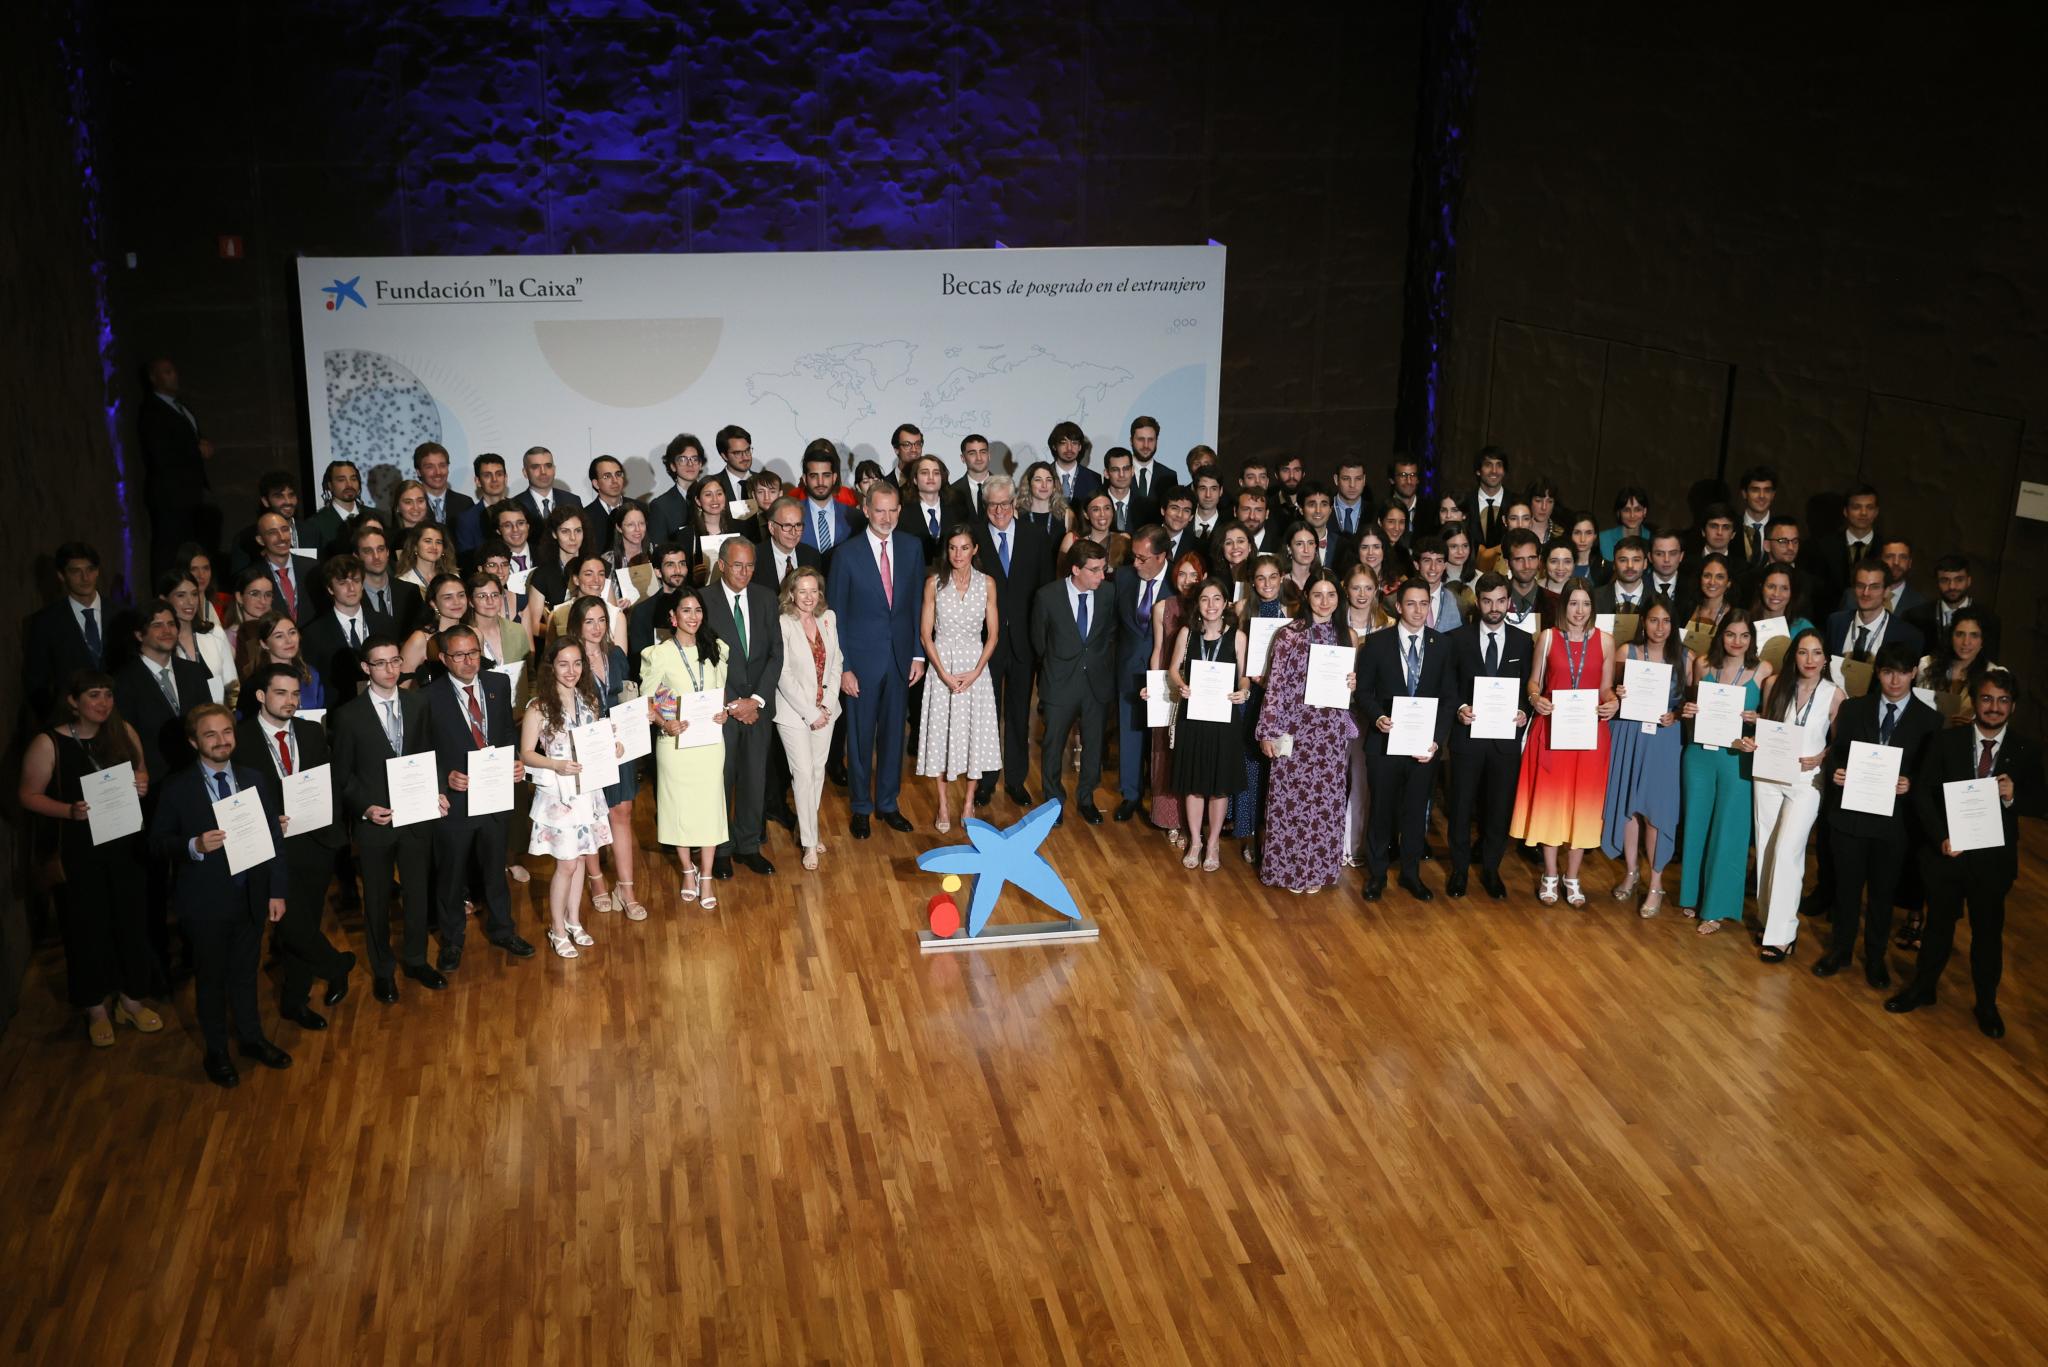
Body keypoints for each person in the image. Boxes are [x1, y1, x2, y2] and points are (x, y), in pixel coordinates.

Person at [1892, 669, 2042, 1037]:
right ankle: (1923, 988)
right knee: (1939, 927)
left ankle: (1987, 1005)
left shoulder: (2026, 749)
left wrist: (2012, 796)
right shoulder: (1947, 741)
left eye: (2003, 700)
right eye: (1988, 699)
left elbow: (2041, 800)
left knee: (1988, 935)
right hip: (1948, 854)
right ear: (1975, 702)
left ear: (2013, 707)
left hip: (1993, 862)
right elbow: (1923, 793)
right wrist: (1941, 836)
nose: (1994, 707)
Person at [148, 704, 290, 1087]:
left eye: (226, 731)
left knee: (246, 974)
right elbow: (157, 843)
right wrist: (193, 844)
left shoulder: (254, 779)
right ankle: (216, 1053)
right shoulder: (176, 789)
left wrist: (277, 890)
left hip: (251, 897)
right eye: (210, 734)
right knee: (210, 981)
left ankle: (251, 1038)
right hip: (205, 904)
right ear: (194, 741)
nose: (221, 740)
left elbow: (274, 838)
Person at [16, 672, 162, 1046]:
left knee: (131, 921)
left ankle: (130, 999)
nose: (103, 703)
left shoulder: (123, 730)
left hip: (127, 843)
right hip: (81, 850)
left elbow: (141, 769)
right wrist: (69, 811)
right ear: (73, 701)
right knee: (87, 926)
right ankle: (94, 1005)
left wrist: (141, 781)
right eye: (94, 695)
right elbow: (28, 795)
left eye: (108, 695)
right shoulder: (49, 742)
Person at [236, 664, 359, 1027]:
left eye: (295, 694)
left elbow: (327, 782)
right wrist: (266, 821)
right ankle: (338, 965)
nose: (290, 701)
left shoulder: (309, 731)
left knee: (305, 920)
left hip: (315, 842)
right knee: (289, 925)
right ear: (260, 696)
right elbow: (234, 799)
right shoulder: (240, 740)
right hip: (270, 849)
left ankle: (295, 999)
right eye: (280, 693)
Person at [1813, 643, 1941, 989]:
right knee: (1846, 890)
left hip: (1894, 823)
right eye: (1887, 672)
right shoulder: (1855, 709)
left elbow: (1931, 776)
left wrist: (1910, 783)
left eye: (1902, 672)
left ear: (1914, 672)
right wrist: (1837, 772)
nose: (1895, 680)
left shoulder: (1930, 721)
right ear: (1878, 674)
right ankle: (1840, 951)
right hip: (1851, 814)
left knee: (1883, 896)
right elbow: (1837, 754)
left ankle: (1874, 958)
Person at [330, 635, 447, 1002]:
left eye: (395, 661)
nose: (390, 669)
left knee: (417, 894)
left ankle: (415, 959)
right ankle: (383, 970)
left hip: (415, 816)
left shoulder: (417, 704)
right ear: (366, 668)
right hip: (374, 823)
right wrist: (364, 807)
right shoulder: (348, 715)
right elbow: (343, 775)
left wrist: (438, 790)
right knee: (378, 900)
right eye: (380, 663)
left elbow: (431, 753)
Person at [1509, 581, 1618, 907]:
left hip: (1589, 734)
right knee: (1551, 803)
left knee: (1582, 806)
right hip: (1552, 729)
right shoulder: (1547, 638)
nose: (1579, 611)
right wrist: (1534, 698)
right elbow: (1534, 681)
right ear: (1563, 607)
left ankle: (1573, 876)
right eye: (1573, 604)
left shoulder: (1607, 642)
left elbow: (1606, 689)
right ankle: (1551, 874)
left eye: (1585, 604)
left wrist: (1612, 703)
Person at [827, 481, 925, 837]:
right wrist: (845, 667)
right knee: (860, 738)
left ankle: (887, 803)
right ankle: (860, 807)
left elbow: (916, 605)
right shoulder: (846, 554)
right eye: (879, 510)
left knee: (894, 737)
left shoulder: (912, 548)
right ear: (866, 510)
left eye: (893, 510)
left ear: (900, 510)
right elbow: (834, 616)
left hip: (901, 660)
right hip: (861, 665)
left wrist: (917, 653)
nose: (887, 517)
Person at [1252, 573, 1357, 893]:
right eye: (1317, 595)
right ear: (1306, 597)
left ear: (1339, 598)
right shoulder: (1289, 635)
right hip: (1294, 731)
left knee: (1326, 806)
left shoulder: (1347, 635)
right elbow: (1277, 686)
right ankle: (1288, 871)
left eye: (1331, 595)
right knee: (1290, 804)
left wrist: (1353, 683)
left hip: (1330, 734)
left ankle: (1318, 871)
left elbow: (1349, 691)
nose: (1325, 602)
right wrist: (1268, 730)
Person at [1748, 628, 1844, 961]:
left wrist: (1822, 756)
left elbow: (1840, 745)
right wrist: (1752, 734)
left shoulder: (1834, 694)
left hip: (1807, 782)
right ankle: (1768, 918)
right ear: (1794, 656)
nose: (1810, 660)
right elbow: (1768, 725)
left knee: (1789, 850)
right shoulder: (1774, 684)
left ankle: (1783, 934)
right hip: (1770, 774)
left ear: (1826, 658)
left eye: (1817, 653)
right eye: (1803, 652)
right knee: (1767, 846)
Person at [1353, 581, 1453, 900]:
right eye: (1411, 604)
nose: (1418, 610)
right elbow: (1363, 692)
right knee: (1381, 811)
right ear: (1398, 607)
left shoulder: (1441, 645)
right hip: (1384, 743)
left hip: (1424, 747)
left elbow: (1450, 698)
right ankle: (1377, 874)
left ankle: (1411, 874)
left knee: (1414, 813)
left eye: (1424, 604)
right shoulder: (1377, 643)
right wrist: (1378, 717)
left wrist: (1437, 740)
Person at [1677, 611, 1770, 934]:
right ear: (1721, 635)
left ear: (1752, 640)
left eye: (1744, 636)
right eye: (1731, 634)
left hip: (1737, 758)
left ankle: (1716, 907)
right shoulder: (1702, 664)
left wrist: (1757, 720)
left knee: (1729, 831)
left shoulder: (1763, 671)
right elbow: (1689, 707)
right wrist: (1687, 711)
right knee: (1696, 825)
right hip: (1700, 754)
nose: (1737, 642)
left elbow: (1771, 723)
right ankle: (1692, 893)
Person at [519, 638, 614, 955]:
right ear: (551, 666)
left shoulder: (590, 699)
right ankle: (557, 929)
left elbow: (599, 739)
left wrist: (614, 747)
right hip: (560, 797)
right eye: (563, 663)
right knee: (567, 865)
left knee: (581, 861)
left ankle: (574, 920)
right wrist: (556, 764)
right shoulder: (539, 707)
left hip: (588, 793)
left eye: (577, 663)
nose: (571, 670)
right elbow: (527, 753)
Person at [1444, 574, 1535, 900]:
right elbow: (1447, 687)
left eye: (1500, 601)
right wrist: (1459, 708)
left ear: (1509, 602)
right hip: (1468, 737)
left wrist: (1524, 711)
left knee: (1498, 808)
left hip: (1505, 740)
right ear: (1477, 602)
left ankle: (1492, 869)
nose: (1494, 608)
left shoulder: (1524, 642)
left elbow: (1529, 688)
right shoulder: (1456, 639)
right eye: (1487, 601)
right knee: (1460, 805)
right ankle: (1458, 869)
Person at [698, 539, 783, 876]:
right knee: (720, 780)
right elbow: (700, 658)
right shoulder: (703, 601)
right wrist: (732, 704)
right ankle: (719, 850)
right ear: (721, 565)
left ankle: (748, 846)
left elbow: (776, 653)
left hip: (757, 708)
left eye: (749, 565)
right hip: (721, 710)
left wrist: (757, 700)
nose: (744, 572)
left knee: (753, 779)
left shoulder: (765, 598)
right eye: (737, 565)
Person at [642, 587, 730, 907]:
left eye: (697, 610)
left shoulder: (717, 648)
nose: (692, 617)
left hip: (709, 743)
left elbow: (720, 693)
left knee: (708, 806)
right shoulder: (660, 653)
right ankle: (687, 870)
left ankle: (706, 875)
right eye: (686, 611)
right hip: (675, 743)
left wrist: (724, 712)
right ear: (673, 616)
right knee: (677, 807)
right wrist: (665, 724)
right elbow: (646, 702)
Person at [1600, 600, 1689, 915]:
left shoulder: (1684, 658)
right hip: (1628, 734)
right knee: (1629, 809)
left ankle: (1656, 883)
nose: (1660, 627)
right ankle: (1631, 873)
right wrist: (1617, 693)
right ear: (1643, 622)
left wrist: (1676, 714)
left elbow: (1689, 704)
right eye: (1654, 620)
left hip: (1664, 740)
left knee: (1656, 813)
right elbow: (1606, 691)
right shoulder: (1627, 652)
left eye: (1666, 621)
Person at [971, 477, 1054, 809]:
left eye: (1005, 504)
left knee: (1019, 715)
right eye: (993, 505)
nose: (999, 511)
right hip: (985, 644)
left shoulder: (1036, 537)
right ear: (985, 506)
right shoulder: (973, 537)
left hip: (1024, 644)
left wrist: (1043, 643)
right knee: (986, 715)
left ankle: (1016, 780)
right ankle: (986, 780)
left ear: (1015, 504)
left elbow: (1046, 592)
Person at [561, 597, 645, 919]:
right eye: (589, 622)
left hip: (619, 744)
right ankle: (596, 881)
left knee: (622, 811)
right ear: (576, 626)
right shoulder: (570, 658)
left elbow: (627, 694)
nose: (597, 628)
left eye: (601, 621)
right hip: (589, 745)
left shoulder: (617, 655)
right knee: (593, 814)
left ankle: (627, 889)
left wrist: (631, 727)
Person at [917, 525, 1001, 831]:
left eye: (964, 548)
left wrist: (977, 671)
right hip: (942, 668)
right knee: (942, 737)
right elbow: (926, 636)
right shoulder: (933, 584)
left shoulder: (987, 584)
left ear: (975, 550)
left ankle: (967, 803)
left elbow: (992, 635)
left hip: (975, 667)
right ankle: (942, 804)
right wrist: (943, 674)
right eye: (953, 547)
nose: (958, 554)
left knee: (973, 737)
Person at [1163, 578, 1249, 870]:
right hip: (1194, 715)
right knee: (1194, 782)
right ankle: (1195, 841)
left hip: (1224, 718)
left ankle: (1213, 844)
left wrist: (1244, 690)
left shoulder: (1238, 636)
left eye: (1216, 599)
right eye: (1204, 599)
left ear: (1225, 603)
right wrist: (1181, 684)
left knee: (1219, 784)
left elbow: (1245, 674)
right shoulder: (1187, 633)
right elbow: (1173, 669)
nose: (1211, 605)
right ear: (1197, 605)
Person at [1032, 538, 1117, 825]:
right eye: (1094, 570)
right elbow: (1038, 641)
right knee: (1053, 745)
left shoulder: (1108, 594)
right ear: (1075, 569)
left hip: (1096, 683)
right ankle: (1053, 802)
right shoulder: (1047, 596)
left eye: (1103, 569)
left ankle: (1086, 799)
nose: (1101, 576)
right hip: (1059, 682)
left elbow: (1110, 635)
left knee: (1093, 745)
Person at [774, 567, 841, 870]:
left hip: (826, 711)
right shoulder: (784, 624)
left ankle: (807, 828)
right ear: (791, 593)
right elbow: (784, 675)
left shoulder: (829, 618)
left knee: (816, 772)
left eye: (813, 590)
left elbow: (837, 662)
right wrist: (811, 712)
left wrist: (826, 705)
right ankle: (809, 844)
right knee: (802, 774)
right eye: (802, 591)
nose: (809, 597)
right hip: (793, 713)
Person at [114, 599, 215, 791]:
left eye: (171, 624)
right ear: (139, 634)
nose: (167, 631)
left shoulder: (194, 672)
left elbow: (208, 719)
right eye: (157, 625)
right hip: (154, 782)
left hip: (199, 776)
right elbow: (124, 735)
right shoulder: (123, 681)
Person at [1109, 528, 1173, 823]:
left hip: (1166, 673)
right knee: (1130, 732)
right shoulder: (1123, 578)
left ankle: (1161, 801)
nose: (1135, 563)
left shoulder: (1179, 582)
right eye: (1134, 556)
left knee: (1161, 740)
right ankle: (1130, 795)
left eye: (1142, 558)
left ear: (1161, 557)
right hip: (1129, 670)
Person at [1145, 551, 1208, 846]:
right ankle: (1171, 819)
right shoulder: (1162, 607)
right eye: (1182, 574)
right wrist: (1153, 686)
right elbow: (1158, 650)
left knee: (1194, 756)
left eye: (1193, 575)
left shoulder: (1210, 606)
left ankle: (1193, 822)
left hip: (1201, 691)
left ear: (1203, 578)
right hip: (1170, 689)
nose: (1187, 581)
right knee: (1165, 754)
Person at [139, 356, 216, 566]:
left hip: (190, 493)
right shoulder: (152, 411)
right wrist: (194, 449)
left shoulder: (182, 407)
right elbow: (159, 450)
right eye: (166, 372)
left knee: (190, 547)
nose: (174, 376)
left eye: (174, 371)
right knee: (169, 547)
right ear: (153, 378)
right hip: (170, 494)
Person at [1339, 564, 1390, 868]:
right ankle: (1330, 843)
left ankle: (1354, 845)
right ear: (1346, 588)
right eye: (1356, 587)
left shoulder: (1387, 625)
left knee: (1361, 780)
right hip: (1335, 709)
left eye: (1367, 588)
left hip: (1367, 713)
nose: (1361, 594)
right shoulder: (1334, 621)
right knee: (1334, 777)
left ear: (1377, 589)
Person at [26, 542, 111, 718]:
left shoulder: (122, 614)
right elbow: (36, 682)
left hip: (121, 721)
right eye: (75, 571)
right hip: (70, 721)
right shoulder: (45, 622)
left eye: (90, 569)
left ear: (97, 571)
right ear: (61, 575)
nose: (85, 577)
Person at [302, 554, 396, 708]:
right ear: (330, 588)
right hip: (338, 712)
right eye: (343, 582)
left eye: (356, 581)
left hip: (385, 704)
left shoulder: (384, 623)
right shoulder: (313, 633)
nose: (351, 588)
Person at [156, 568, 235, 706]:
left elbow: (232, 686)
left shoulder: (214, 634)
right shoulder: (160, 642)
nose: (190, 602)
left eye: (194, 594)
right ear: (164, 600)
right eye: (181, 595)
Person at [1825, 559, 1923, 666]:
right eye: (1860, 586)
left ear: (1886, 591)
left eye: (1874, 587)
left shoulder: (1907, 635)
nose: (1866, 593)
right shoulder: (1836, 622)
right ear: (1853, 589)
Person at [1904, 553, 2001, 660]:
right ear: (1937, 582)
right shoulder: (1915, 617)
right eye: (1945, 580)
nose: (1952, 586)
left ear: (1969, 581)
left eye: (1959, 580)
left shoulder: (1988, 619)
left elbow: (1989, 660)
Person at [1916, 611, 1995, 723]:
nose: (1966, 642)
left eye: (1974, 635)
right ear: (1951, 636)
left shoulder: (1993, 673)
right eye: (1960, 634)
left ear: (1982, 640)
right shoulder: (1927, 664)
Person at [398, 573, 469, 685]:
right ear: (434, 603)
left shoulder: (474, 633)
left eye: (461, 595)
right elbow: (402, 686)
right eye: (448, 597)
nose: (457, 602)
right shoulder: (420, 639)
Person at [514, 446, 583, 558]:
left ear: (554, 469)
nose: (543, 472)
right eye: (535, 467)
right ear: (525, 472)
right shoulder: (515, 505)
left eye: (548, 466)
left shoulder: (572, 500)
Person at [797, 443, 862, 553]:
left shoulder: (855, 517)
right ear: (805, 479)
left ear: (834, 477)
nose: (820, 482)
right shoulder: (792, 516)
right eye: (814, 476)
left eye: (826, 475)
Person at [648, 434, 707, 548]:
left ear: (700, 464)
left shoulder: (713, 497)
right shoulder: (660, 506)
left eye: (694, 459)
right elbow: (659, 550)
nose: (690, 464)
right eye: (683, 459)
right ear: (673, 466)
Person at [453, 452, 508, 557]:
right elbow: (466, 561)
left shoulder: (520, 510)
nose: (494, 479)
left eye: (499, 474)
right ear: (478, 481)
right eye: (487, 475)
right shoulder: (467, 520)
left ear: (505, 478)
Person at [1461, 447, 1513, 550]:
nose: (1494, 471)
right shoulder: (1464, 502)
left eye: (1499, 465)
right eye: (1488, 465)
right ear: (1478, 471)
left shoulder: (1516, 502)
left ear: (1504, 471)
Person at [413, 441, 473, 531]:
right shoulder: (411, 506)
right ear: (419, 472)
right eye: (430, 467)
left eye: (442, 465)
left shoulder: (465, 504)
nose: (438, 472)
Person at [1047, 420, 1099, 504]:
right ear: (1054, 446)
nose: (1069, 448)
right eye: (1063, 443)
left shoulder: (1093, 478)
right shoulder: (1043, 475)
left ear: (1080, 447)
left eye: (1074, 443)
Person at [1017, 461, 1070, 539]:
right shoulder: (1017, 515)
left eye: (1048, 480)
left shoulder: (1065, 515)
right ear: (1029, 484)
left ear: (1054, 485)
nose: (1044, 485)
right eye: (1038, 480)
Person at [1598, 486, 1652, 561]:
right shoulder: (1603, 539)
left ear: (1645, 511)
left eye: (1637, 509)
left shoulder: (1653, 539)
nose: (1632, 515)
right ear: (1618, 512)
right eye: (1626, 510)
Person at [953, 432, 998, 518]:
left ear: (989, 455)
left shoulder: (1005, 488)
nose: (979, 458)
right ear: (963, 458)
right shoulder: (952, 492)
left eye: (983, 452)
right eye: (972, 453)